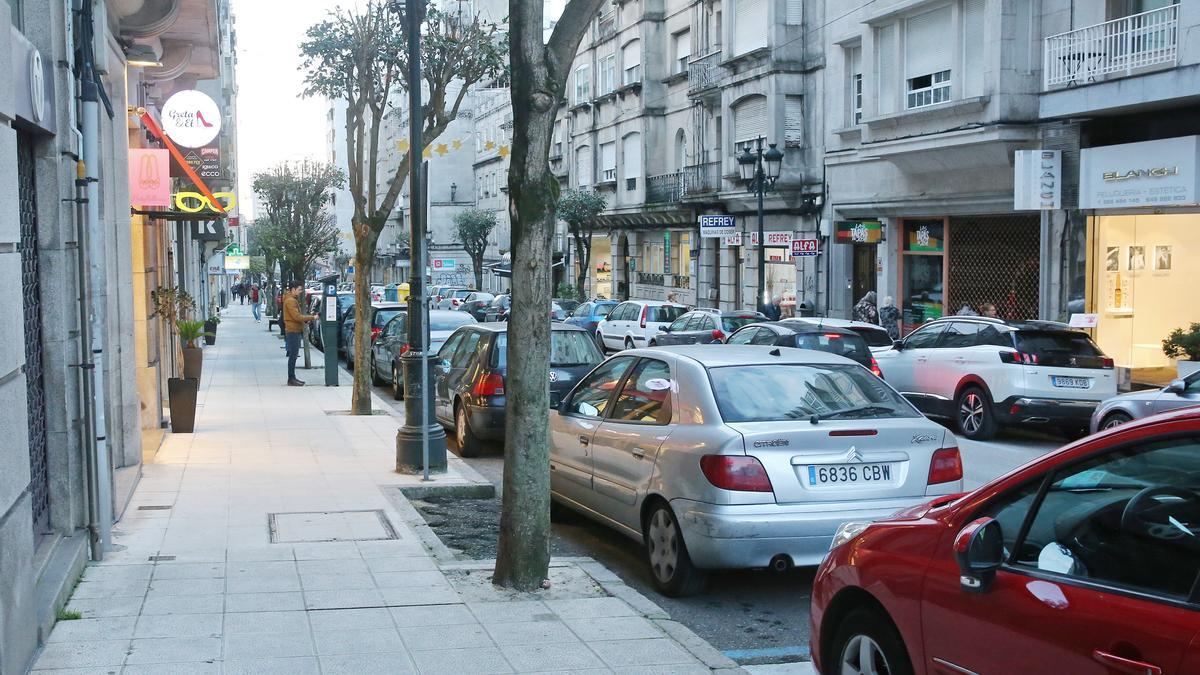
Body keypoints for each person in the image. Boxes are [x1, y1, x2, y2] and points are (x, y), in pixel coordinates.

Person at [283, 281, 318, 386]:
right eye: (299, 290)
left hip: (293, 330)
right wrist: (312, 317)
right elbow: (297, 317)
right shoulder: (290, 301)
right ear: (293, 289)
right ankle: (291, 378)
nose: (300, 292)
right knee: (293, 356)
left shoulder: (291, 299)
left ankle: (292, 377)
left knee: (293, 355)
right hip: (293, 330)